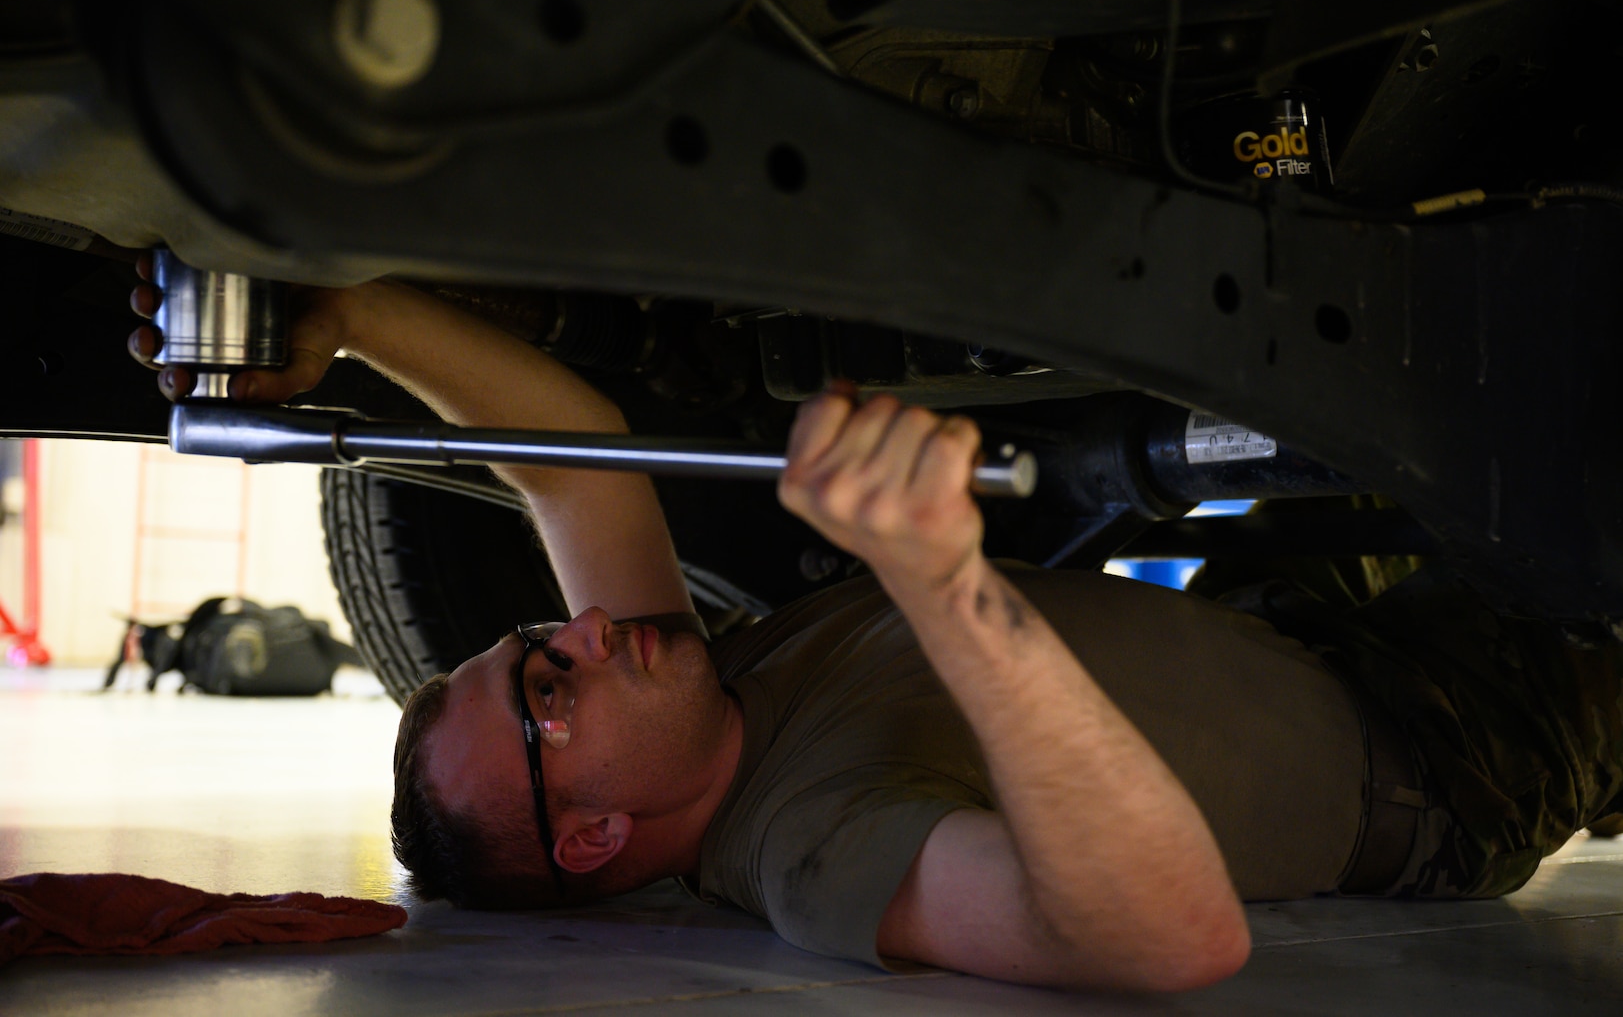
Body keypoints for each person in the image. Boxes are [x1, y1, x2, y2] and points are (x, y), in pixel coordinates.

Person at [129, 265, 1623, 993]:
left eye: (542, 639)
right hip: (1449, 752)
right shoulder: (816, 851)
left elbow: (567, 455)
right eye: (543, 691)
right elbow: (1167, 940)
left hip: (1292, 641)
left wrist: (345, 313)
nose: (573, 638)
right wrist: (942, 581)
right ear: (589, 840)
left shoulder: (692, 695)